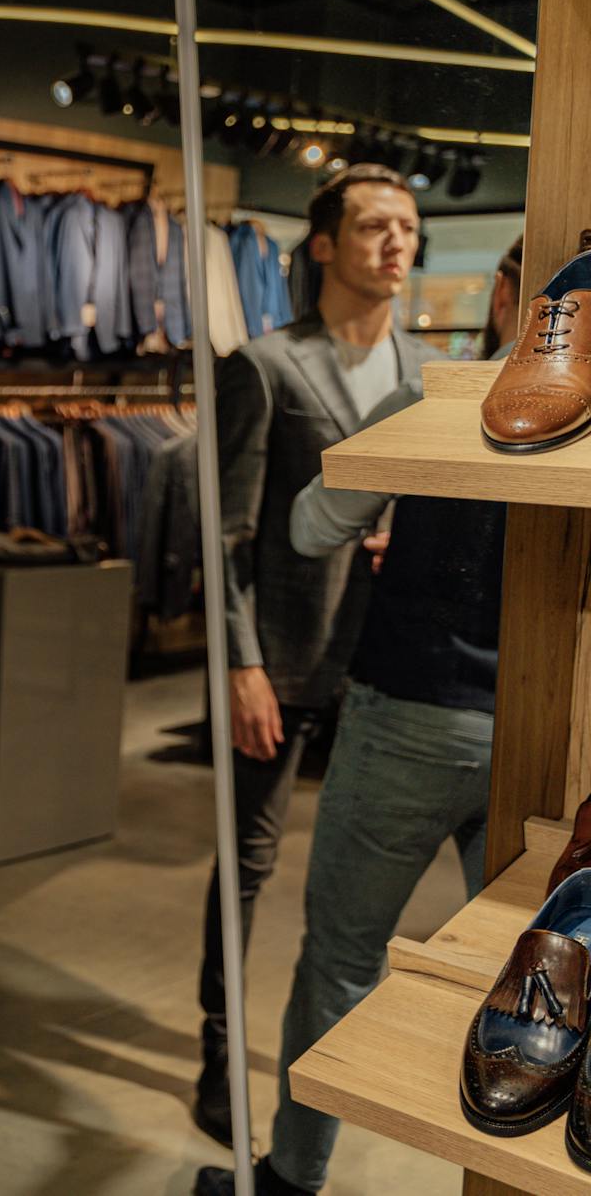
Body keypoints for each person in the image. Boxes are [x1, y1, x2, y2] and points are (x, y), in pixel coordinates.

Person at [193, 382, 505, 1195]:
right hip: (541, 732)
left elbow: (311, 524)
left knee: (341, 960)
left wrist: (391, 505)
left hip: (411, 708)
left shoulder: (436, 397)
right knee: (530, 988)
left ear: (511, 297)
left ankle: (293, 1179)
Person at [195, 164, 443, 1143]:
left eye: (408, 228)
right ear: (325, 245)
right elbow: (225, 531)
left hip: (387, 664)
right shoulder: (263, 364)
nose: (394, 243)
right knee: (246, 859)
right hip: (286, 656)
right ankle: (220, 1048)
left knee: (351, 881)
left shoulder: (429, 374)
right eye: (374, 225)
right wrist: (238, 659)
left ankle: (330, 1063)